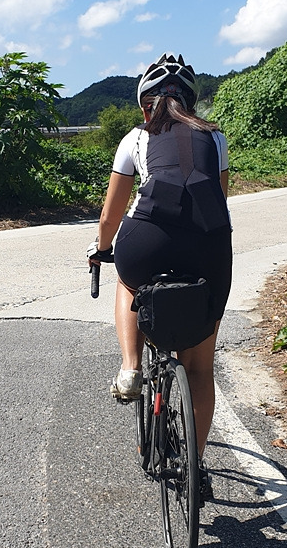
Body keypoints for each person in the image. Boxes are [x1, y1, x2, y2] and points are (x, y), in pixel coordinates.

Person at [87, 53, 232, 467]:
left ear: (144, 104)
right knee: (200, 368)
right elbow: (218, 200)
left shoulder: (134, 139)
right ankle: (193, 466)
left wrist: (101, 248)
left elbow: (110, 217)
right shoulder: (215, 138)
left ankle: (131, 367)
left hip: (147, 238)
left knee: (127, 280)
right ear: (190, 102)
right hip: (208, 246)